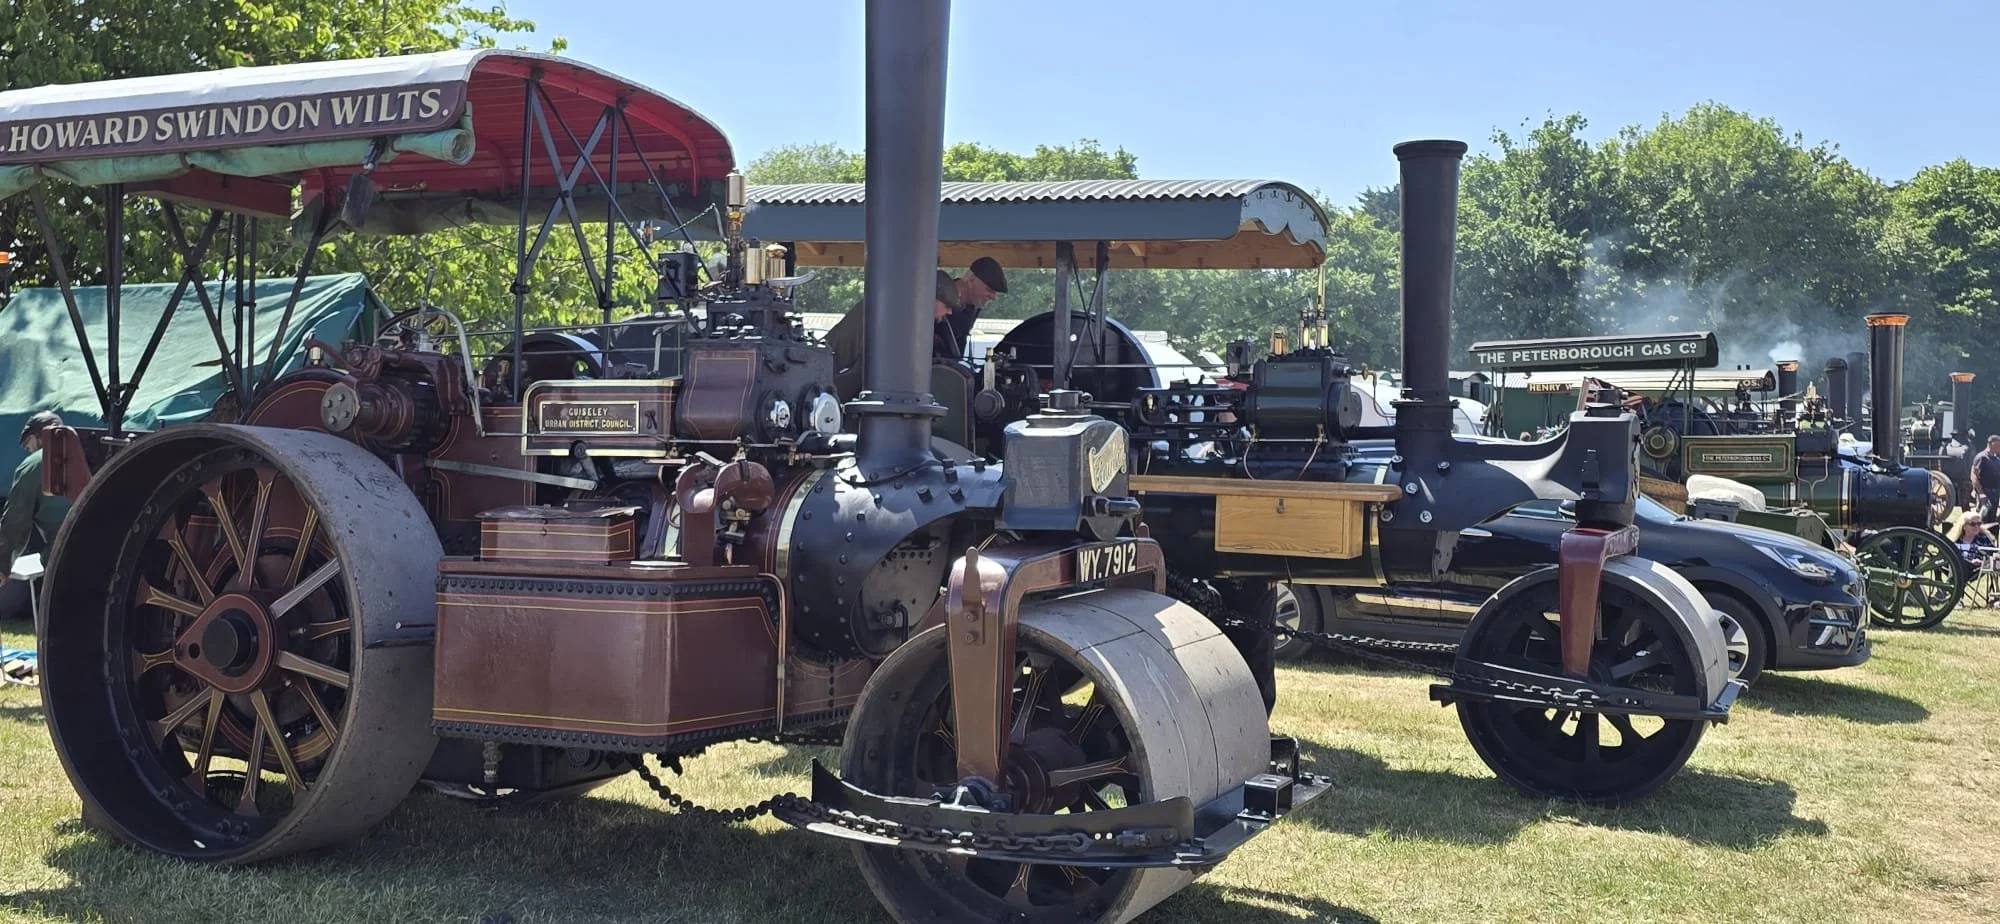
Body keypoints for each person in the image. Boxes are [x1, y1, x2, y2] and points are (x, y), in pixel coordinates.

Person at [826, 257, 1008, 401]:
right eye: (947, 306)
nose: (950, 312)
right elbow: (834, 356)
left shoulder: (959, 313)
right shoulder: (878, 313)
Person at [0, 412, 73, 620]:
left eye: (28, 444)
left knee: (57, 621)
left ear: (38, 436)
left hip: (65, 556)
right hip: (113, 552)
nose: (28, 450)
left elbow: (15, 524)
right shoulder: (87, 453)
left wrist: (2, 565)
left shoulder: (32, 465)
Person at [1970, 434, 2000, 522]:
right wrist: (1981, 493)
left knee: (1992, 520)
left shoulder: (1996, 459)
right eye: (1998, 445)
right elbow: (1974, 475)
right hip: (1986, 493)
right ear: (1991, 443)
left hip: (1995, 493)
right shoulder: (1982, 457)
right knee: (1983, 518)